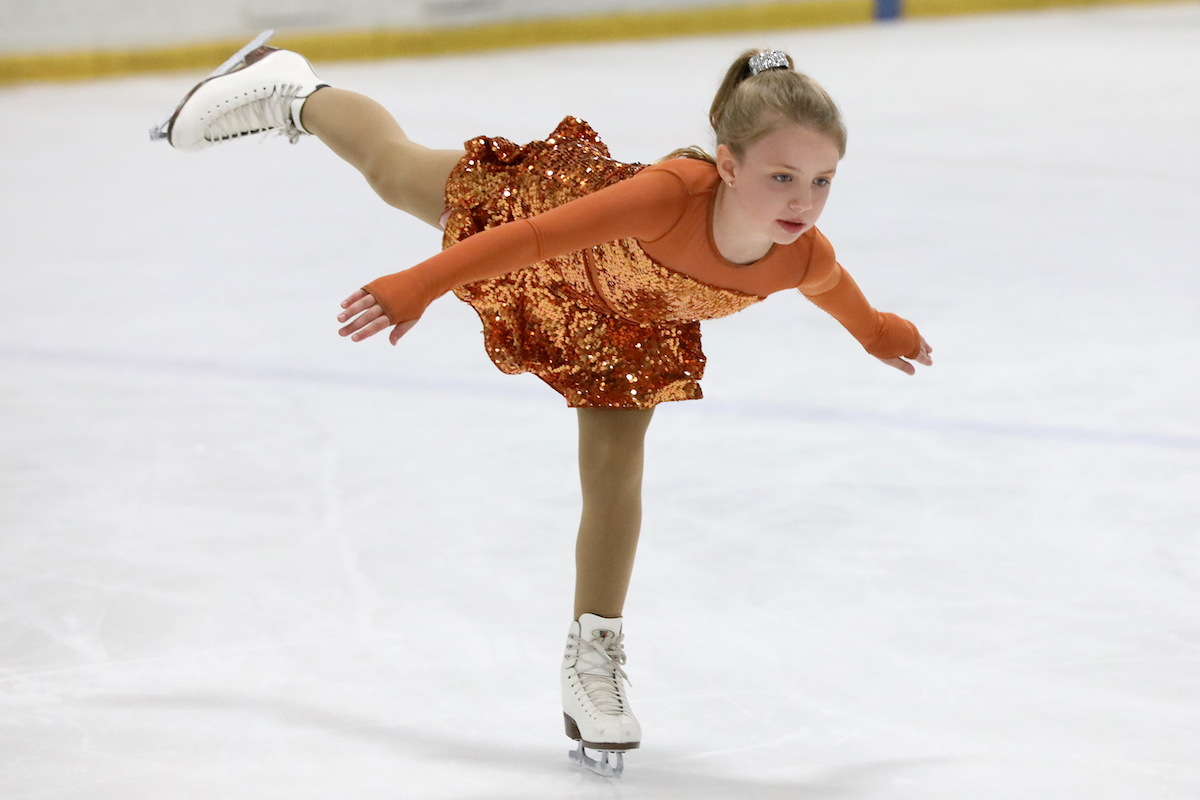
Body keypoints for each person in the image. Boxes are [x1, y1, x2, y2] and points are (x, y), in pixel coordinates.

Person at [154, 36, 932, 778]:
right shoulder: (667, 196)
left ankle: (594, 658)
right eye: (783, 177)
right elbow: (531, 239)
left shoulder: (800, 254)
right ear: (728, 165)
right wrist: (418, 284)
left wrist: (876, 333)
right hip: (548, 232)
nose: (804, 200)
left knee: (615, 471)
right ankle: (296, 92)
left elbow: (833, 290)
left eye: (823, 180)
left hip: (625, 326)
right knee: (395, 173)